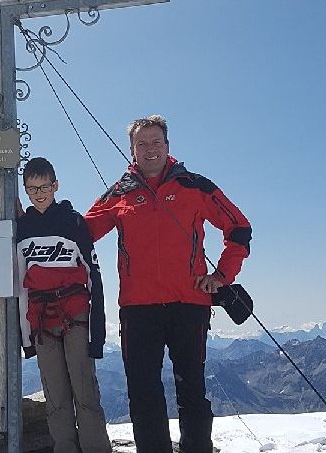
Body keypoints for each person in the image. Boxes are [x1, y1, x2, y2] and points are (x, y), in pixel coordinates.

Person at [84, 115, 252, 453]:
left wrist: (222, 276)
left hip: (189, 305)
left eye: (155, 142)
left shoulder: (196, 186)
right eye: (141, 144)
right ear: (132, 150)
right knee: (143, 393)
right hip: (138, 310)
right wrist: (38, 221)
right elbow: (80, 232)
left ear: (167, 146)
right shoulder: (119, 193)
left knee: (192, 390)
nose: (150, 149)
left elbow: (239, 228)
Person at [17, 157, 111, 453]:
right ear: (25, 191)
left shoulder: (73, 222)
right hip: (41, 321)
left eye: (44, 187)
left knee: (84, 392)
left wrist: (97, 333)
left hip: (76, 316)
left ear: (55, 185)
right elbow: (20, 286)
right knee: (55, 396)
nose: (39, 194)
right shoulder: (22, 229)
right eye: (32, 189)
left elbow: (93, 275)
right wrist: (26, 339)